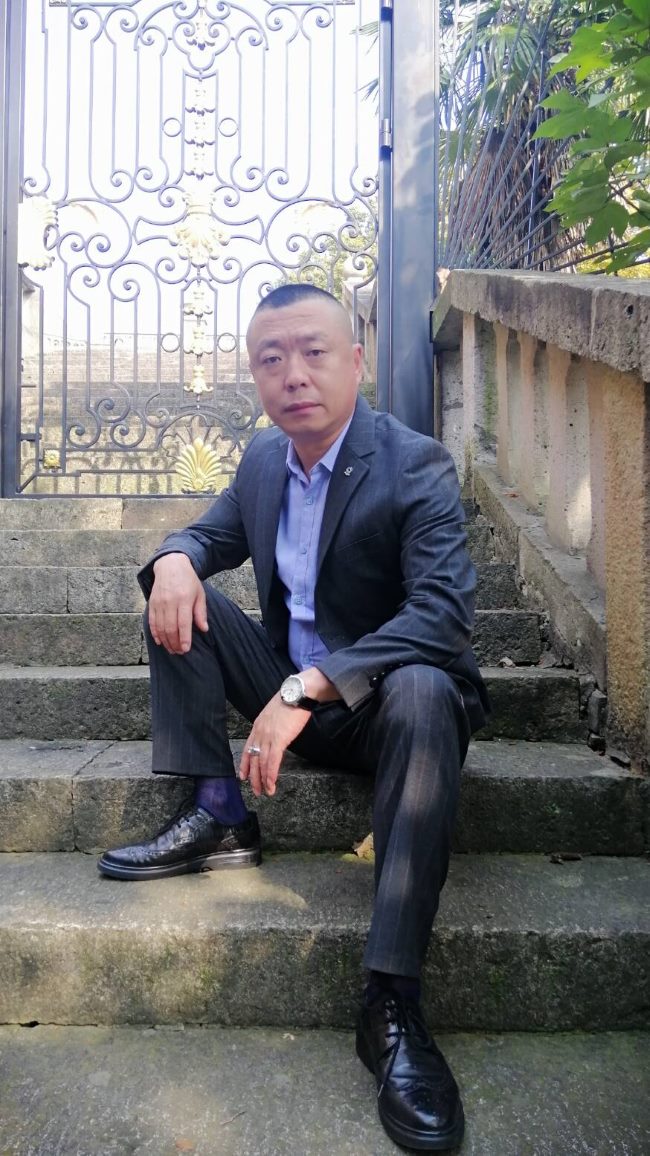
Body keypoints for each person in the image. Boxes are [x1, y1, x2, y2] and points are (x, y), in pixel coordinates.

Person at [98, 283, 489, 1152]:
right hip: (295, 695)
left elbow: (443, 615)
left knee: (426, 685)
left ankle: (391, 1001)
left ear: (356, 361)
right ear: (255, 375)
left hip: (388, 710)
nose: (293, 374)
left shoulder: (414, 462)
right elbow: (208, 536)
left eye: (314, 352)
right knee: (179, 596)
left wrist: (303, 689)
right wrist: (174, 558)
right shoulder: (263, 460)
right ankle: (219, 811)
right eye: (271, 359)